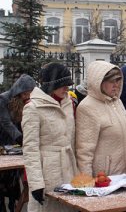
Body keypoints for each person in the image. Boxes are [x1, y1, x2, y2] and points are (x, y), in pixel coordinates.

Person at [22, 62, 77, 212]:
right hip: (48, 174)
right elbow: (30, 149)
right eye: (63, 84)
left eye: (68, 84)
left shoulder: (68, 104)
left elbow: (72, 140)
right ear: (50, 85)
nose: (67, 88)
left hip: (69, 172)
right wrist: (36, 184)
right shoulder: (32, 108)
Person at [76, 61, 126, 176]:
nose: (116, 85)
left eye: (118, 80)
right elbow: (84, 152)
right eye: (111, 81)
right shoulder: (87, 107)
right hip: (104, 179)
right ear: (99, 82)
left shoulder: (117, 102)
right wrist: (87, 183)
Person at [0, 74, 36, 211]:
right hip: (3, 142)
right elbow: (6, 123)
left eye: (29, 93)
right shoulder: (3, 99)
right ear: (19, 90)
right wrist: (21, 138)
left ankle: (14, 206)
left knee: (13, 183)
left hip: (15, 145)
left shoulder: (25, 103)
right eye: (25, 92)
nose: (27, 96)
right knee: (2, 181)